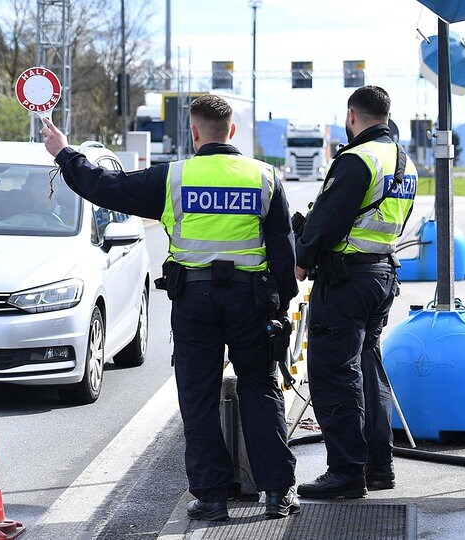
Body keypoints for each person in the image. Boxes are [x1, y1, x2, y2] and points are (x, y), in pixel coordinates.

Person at [41, 94, 299, 521]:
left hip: (195, 300)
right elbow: (282, 251)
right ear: (231, 131)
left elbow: (105, 187)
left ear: (194, 133)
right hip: (251, 301)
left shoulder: (174, 178)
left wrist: (64, 153)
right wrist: (281, 304)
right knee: (260, 387)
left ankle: (213, 498)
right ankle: (275, 493)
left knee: (197, 395)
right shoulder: (264, 177)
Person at [294, 85, 417, 499]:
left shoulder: (356, 159)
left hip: (346, 282)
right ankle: (379, 467)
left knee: (333, 373)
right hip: (382, 274)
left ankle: (346, 472)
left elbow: (326, 222)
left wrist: (302, 255)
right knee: (367, 370)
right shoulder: (405, 161)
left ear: (352, 116)